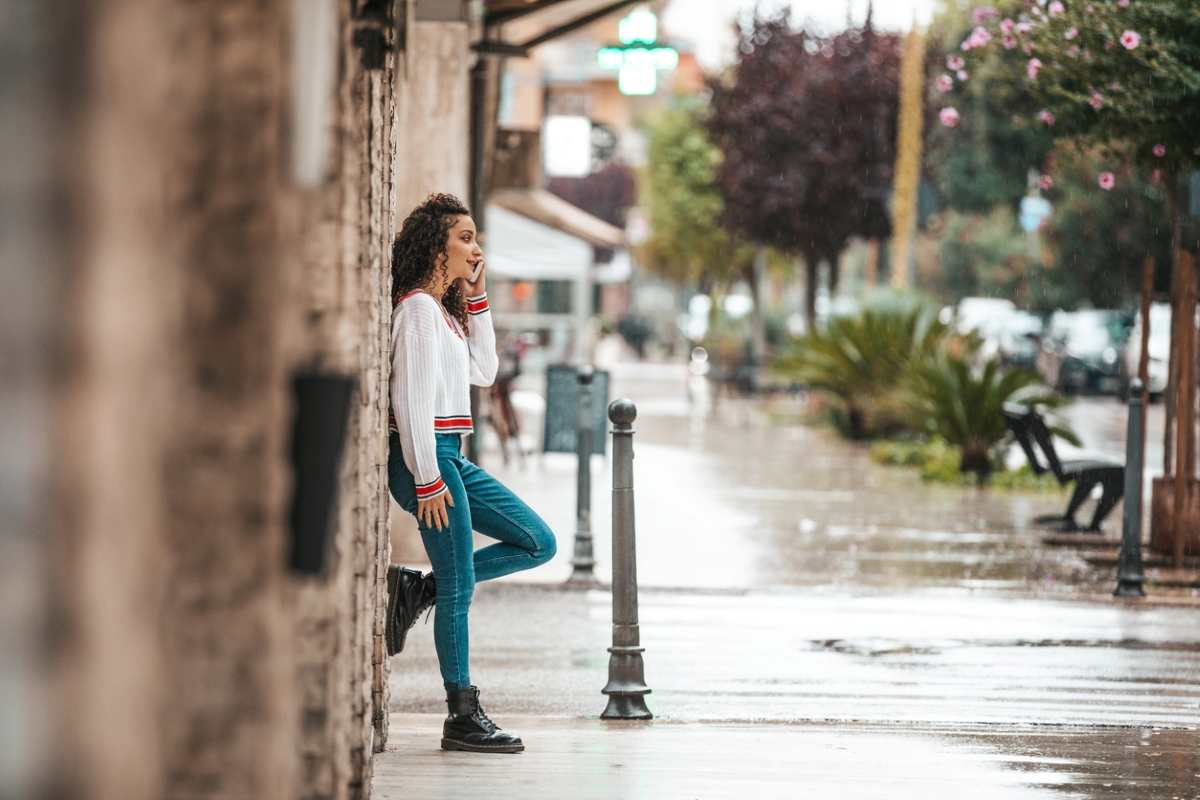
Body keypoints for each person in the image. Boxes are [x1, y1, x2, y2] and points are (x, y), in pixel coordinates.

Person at [385, 193, 557, 754]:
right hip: (425, 457)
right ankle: (461, 716)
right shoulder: (415, 310)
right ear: (437, 245)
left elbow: (486, 371)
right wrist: (428, 478)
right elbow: (409, 402)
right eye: (465, 237)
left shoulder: (441, 312)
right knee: (461, 591)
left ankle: (420, 587)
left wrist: (477, 299)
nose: (475, 247)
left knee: (537, 541)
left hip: (450, 455)